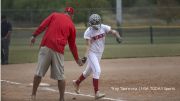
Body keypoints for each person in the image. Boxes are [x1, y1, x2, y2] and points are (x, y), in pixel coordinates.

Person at [30, 7, 83, 101]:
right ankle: (61, 98)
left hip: (46, 45)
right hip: (58, 49)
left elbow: (43, 25)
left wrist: (34, 35)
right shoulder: (72, 26)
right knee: (61, 77)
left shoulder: (54, 15)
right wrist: (77, 59)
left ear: (64, 12)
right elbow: (72, 46)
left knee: (39, 73)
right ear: (72, 15)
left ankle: (33, 96)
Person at [72, 14, 122, 100]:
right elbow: (88, 45)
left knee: (88, 72)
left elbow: (113, 32)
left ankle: (76, 83)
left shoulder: (103, 27)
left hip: (99, 53)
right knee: (97, 70)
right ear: (90, 24)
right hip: (92, 53)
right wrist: (85, 57)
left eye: (97, 24)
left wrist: (118, 36)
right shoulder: (88, 31)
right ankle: (97, 93)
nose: (96, 27)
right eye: (94, 25)